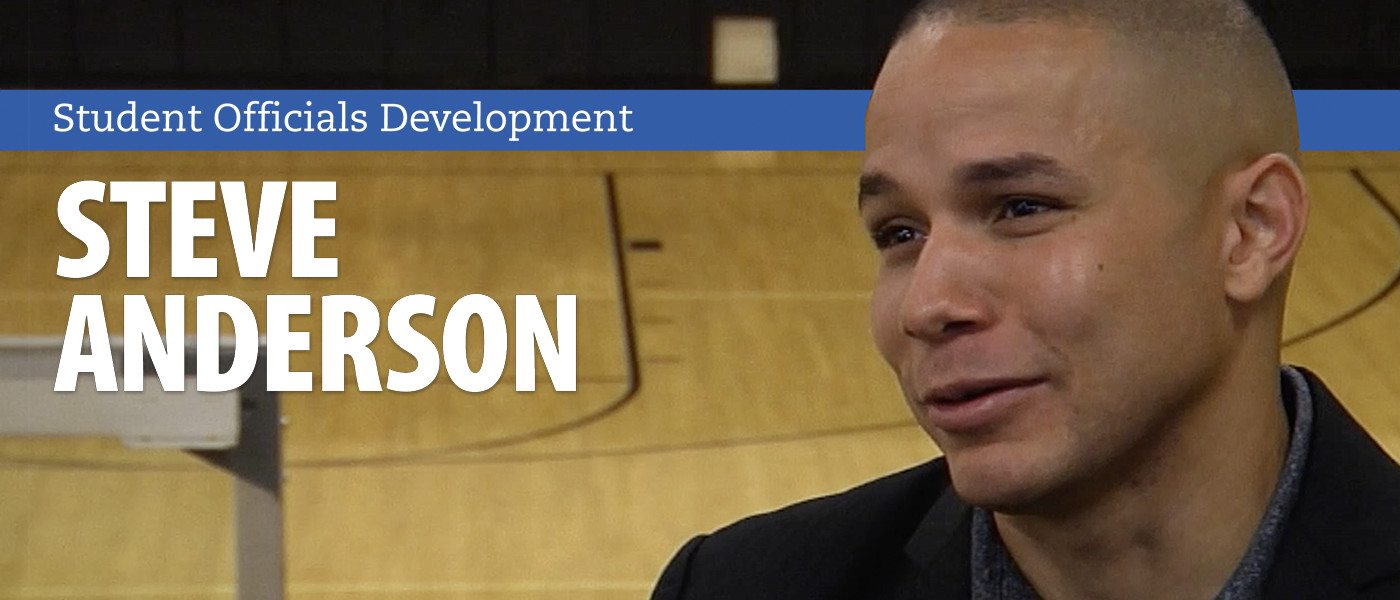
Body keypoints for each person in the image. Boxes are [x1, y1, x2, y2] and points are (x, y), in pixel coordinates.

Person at [650, 1, 1400, 598]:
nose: (926, 305)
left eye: (1020, 208)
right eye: (899, 233)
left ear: (1250, 230)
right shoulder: (735, 585)